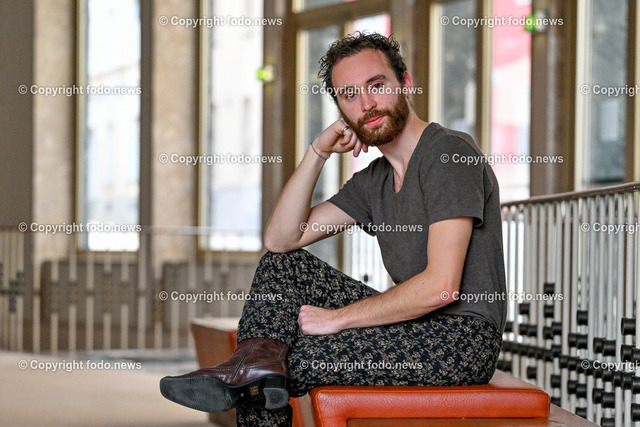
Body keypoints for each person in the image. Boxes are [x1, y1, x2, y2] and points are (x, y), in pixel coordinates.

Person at [160, 31, 506, 427]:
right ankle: (250, 364)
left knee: (298, 359)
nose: (367, 104)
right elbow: (282, 238)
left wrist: (338, 318)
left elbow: (441, 287)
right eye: (349, 94)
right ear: (341, 109)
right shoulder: (374, 180)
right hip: (414, 327)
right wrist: (318, 152)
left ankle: (248, 371)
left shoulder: (448, 153)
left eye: (377, 85)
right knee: (282, 269)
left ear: (405, 84)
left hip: (462, 340)